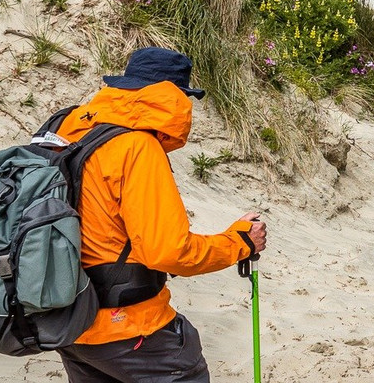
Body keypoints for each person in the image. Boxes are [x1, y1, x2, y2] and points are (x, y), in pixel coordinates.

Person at [51, 46, 267, 383]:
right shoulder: (137, 147)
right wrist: (240, 242)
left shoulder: (70, 129)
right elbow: (169, 252)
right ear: (173, 96)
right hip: (127, 326)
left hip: (68, 320)